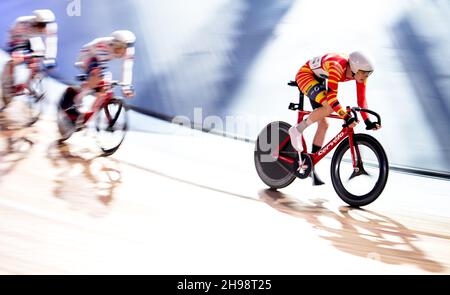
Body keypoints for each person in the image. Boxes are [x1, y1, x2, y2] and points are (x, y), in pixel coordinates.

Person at [289, 52, 381, 185]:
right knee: (329, 107)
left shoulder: (360, 74)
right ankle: (297, 130)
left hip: (319, 78)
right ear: (354, 68)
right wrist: (345, 116)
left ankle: (311, 164)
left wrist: (368, 121)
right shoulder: (337, 67)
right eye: (364, 72)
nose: (366, 76)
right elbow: (332, 99)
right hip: (306, 75)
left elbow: (361, 100)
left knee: (324, 124)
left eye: (369, 73)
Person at [61, 30, 136, 127]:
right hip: (88, 56)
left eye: (127, 49)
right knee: (97, 78)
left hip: (99, 61)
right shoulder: (104, 46)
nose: (125, 52)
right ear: (115, 44)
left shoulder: (128, 49)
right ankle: (76, 101)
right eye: (122, 48)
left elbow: (127, 67)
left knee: (104, 88)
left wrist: (126, 86)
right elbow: (98, 69)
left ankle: (86, 116)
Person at [2, 9, 57, 103]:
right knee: (15, 60)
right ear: (36, 22)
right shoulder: (23, 23)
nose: (43, 28)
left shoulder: (51, 27)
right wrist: (19, 55)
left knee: (38, 55)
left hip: (33, 39)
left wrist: (50, 58)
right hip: (19, 38)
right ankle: (8, 84)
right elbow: (17, 42)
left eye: (45, 25)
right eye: (41, 25)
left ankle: (29, 84)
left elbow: (51, 42)